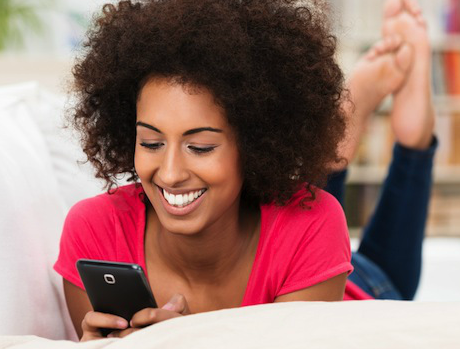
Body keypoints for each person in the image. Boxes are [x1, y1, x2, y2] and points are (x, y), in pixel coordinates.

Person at [53, 0, 436, 341]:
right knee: (307, 199)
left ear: (254, 144)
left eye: (200, 147)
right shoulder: (95, 230)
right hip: (304, 256)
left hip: (347, 287)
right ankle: (343, 138)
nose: (169, 174)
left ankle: (409, 142)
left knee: (387, 275)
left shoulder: (314, 226)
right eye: (151, 143)